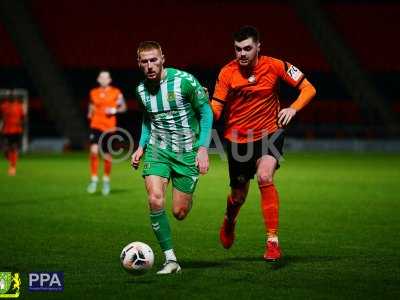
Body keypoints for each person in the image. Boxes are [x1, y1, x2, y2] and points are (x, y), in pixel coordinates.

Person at [211, 26, 316, 261]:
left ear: (259, 46)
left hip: (270, 132)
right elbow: (216, 108)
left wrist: (293, 108)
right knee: (238, 196)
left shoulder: (275, 65)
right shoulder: (227, 73)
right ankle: (229, 221)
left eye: (248, 48)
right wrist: (202, 112)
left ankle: (272, 241)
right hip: (237, 139)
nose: (242, 53)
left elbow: (309, 88)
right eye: (238, 49)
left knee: (265, 176)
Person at [131, 41, 213, 274]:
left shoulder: (184, 81)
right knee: (155, 199)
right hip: (158, 150)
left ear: (162, 58)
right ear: (139, 63)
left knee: (179, 212)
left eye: (153, 60)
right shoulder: (140, 90)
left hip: (187, 152)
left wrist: (203, 148)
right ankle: (170, 260)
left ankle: (186, 193)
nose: (149, 66)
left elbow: (206, 111)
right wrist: (141, 146)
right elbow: (148, 118)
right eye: (144, 61)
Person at [87, 71, 127, 195]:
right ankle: (94, 179)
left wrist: (115, 109)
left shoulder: (116, 92)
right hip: (96, 125)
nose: (104, 79)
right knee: (93, 151)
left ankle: (106, 180)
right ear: (98, 79)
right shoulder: (93, 92)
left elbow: (124, 107)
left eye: (106, 77)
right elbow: (91, 105)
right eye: (101, 77)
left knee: (107, 155)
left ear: (110, 80)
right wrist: (89, 112)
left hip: (109, 127)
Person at [0, 90, 27, 176]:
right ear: (8, 98)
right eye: (10, 96)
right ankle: (12, 160)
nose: (12, 98)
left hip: (16, 130)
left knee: (13, 148)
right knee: (5, 150)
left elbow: (23, 118)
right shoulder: (3, 106)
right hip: (6, 130)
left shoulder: (19, 106)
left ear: (15, 98)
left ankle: (12, 168)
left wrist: (22, 126)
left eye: (13, 96)